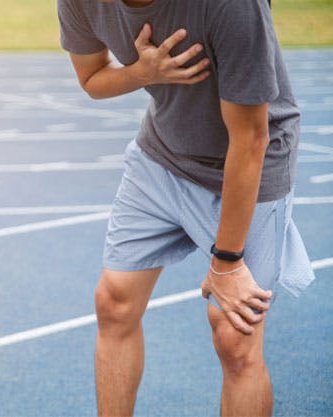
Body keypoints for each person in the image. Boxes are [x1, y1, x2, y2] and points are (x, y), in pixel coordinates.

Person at [56, 0, 315, 416]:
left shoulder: (231, 6)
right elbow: (91, 78)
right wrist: (141, 74)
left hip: (249, 162)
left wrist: (227, 263)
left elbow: (249, 140)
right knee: (114, 301)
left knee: (235, 337)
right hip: (163, 154)